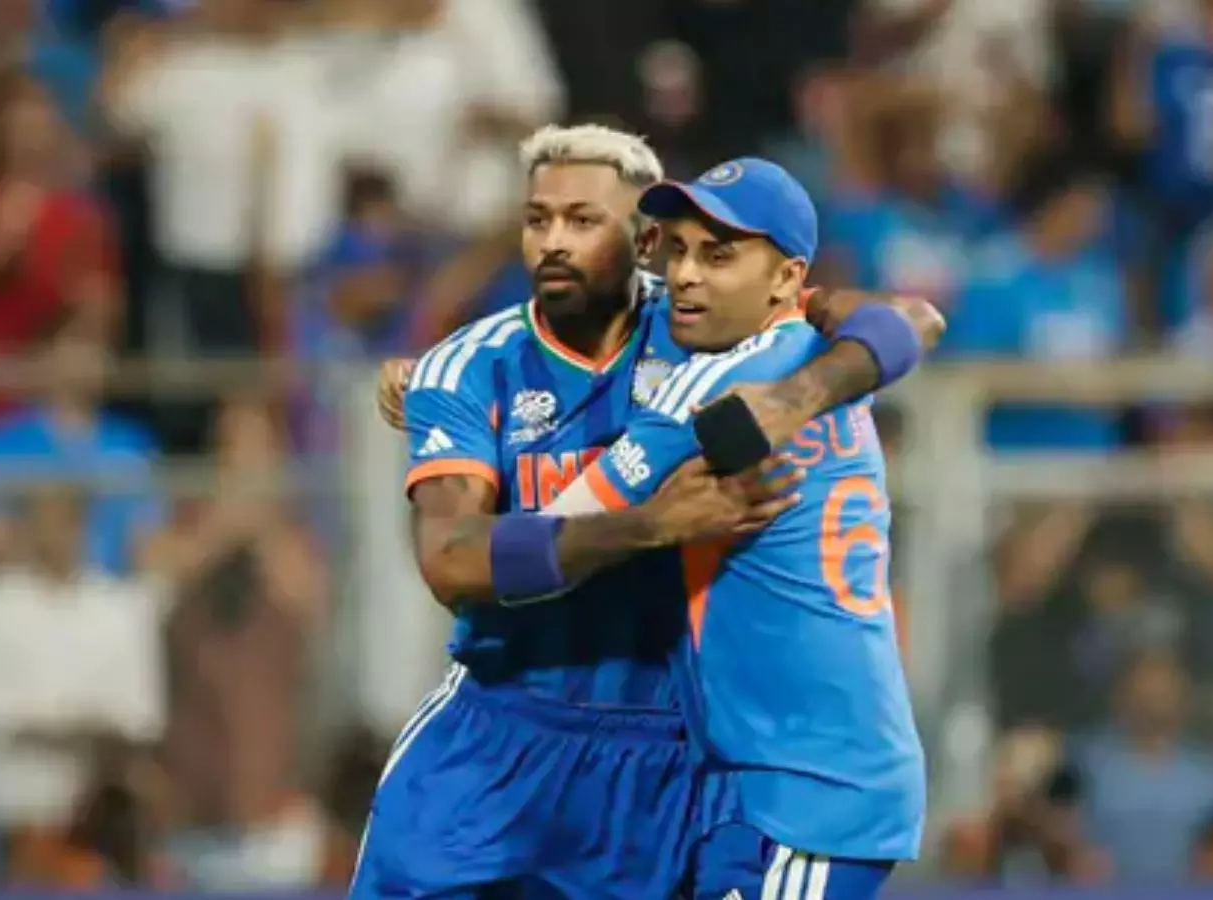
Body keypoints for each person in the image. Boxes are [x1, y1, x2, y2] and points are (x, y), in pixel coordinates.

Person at [353, 127, 942, 899]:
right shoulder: (470, 366)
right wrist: (651, 525)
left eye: (583, 220)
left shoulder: (710, 327)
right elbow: (450, 561)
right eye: (537, 219)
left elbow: (902, 317)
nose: (554, 242)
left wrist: (792, 400)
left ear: (644, 240)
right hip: (499, 725)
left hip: (663, 752)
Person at [542, 158, 925, 898]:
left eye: (718, 256)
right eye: (678, 250)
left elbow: (550, 537)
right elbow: (913, 320)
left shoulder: (710, 389)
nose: (686, 275)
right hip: (777, 772)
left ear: (785, 278)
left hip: (807, 788)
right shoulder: (830, 348)